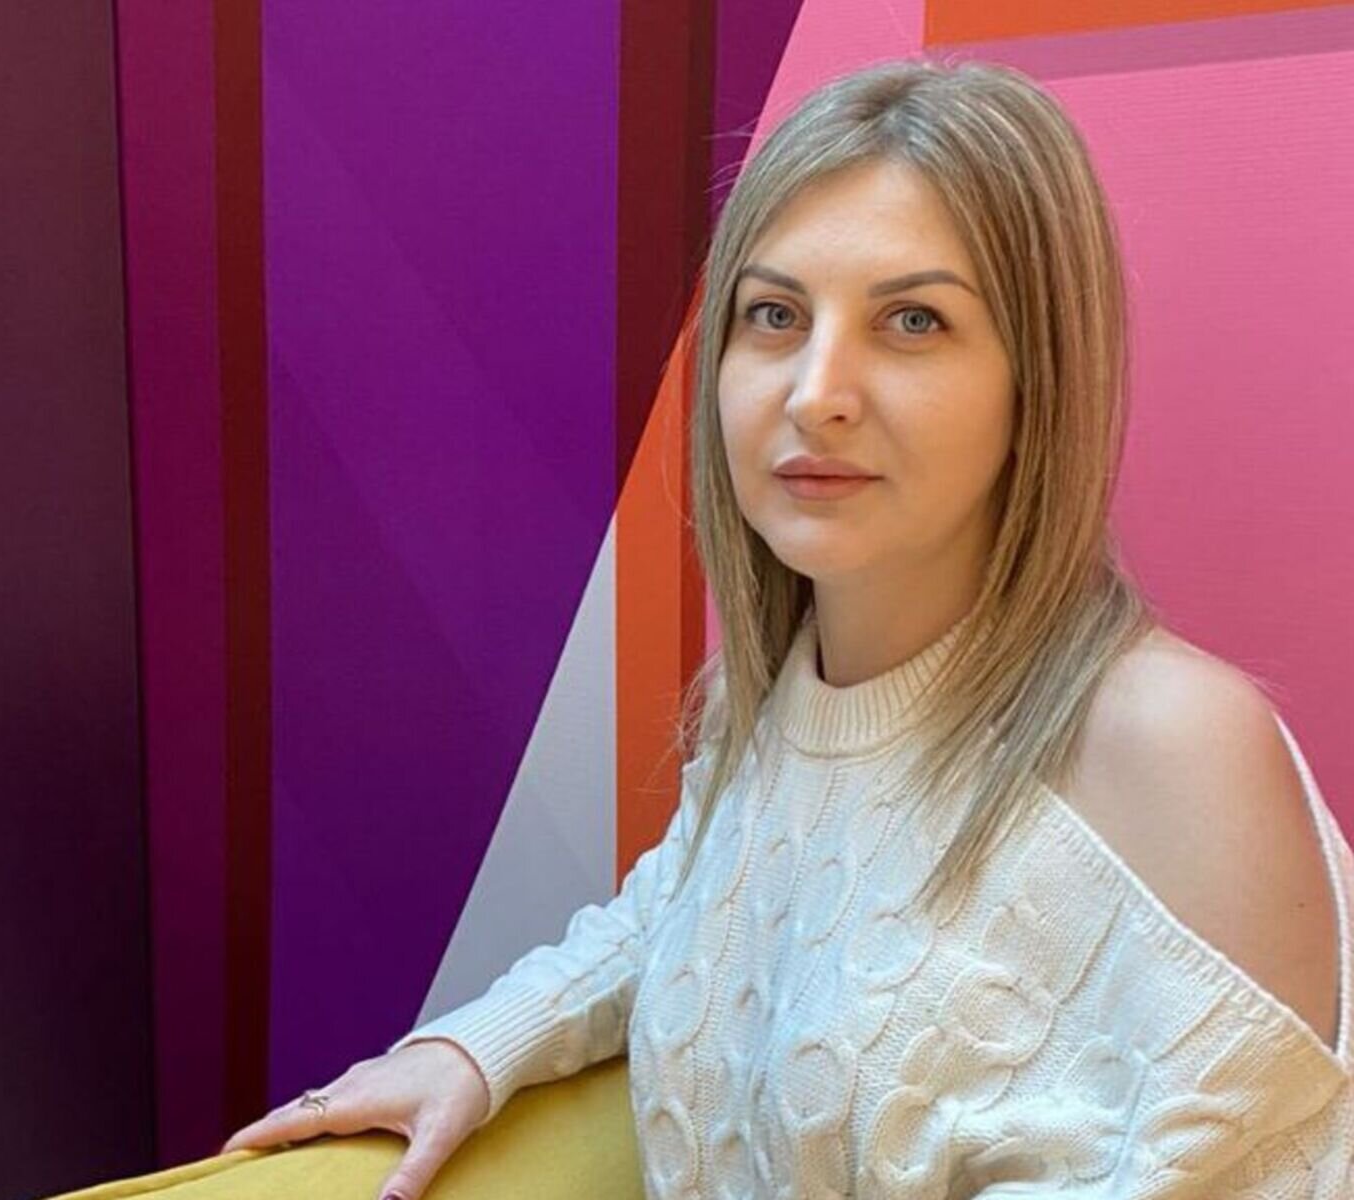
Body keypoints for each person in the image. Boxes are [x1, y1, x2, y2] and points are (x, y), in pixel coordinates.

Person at [221, 57, 1354, 1198]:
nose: (816, 393)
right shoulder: (769, 701)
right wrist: (472, 1049)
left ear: (1037, 382)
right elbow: (684, 909)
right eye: (774, 315)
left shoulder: (1172, 745)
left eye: (912, 321)